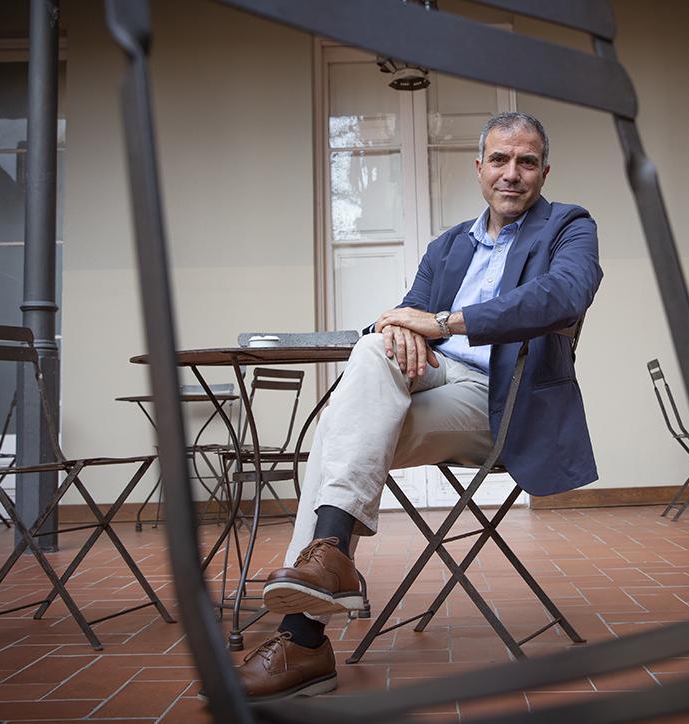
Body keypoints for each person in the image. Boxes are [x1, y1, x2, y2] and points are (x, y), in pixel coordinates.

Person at [234, 111, 602, 702]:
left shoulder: (568, 227)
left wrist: (442, 322)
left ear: (544, 171)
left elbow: (561, 296)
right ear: (479, 167)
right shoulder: (449, 245)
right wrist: (397, 328)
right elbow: (406, 316)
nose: (512, 174)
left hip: (505, 402)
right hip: (433, 378)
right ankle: (324, 574)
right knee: (371, 357)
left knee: (336, 435)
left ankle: (304, 639)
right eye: (500, 160)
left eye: (526, 161)